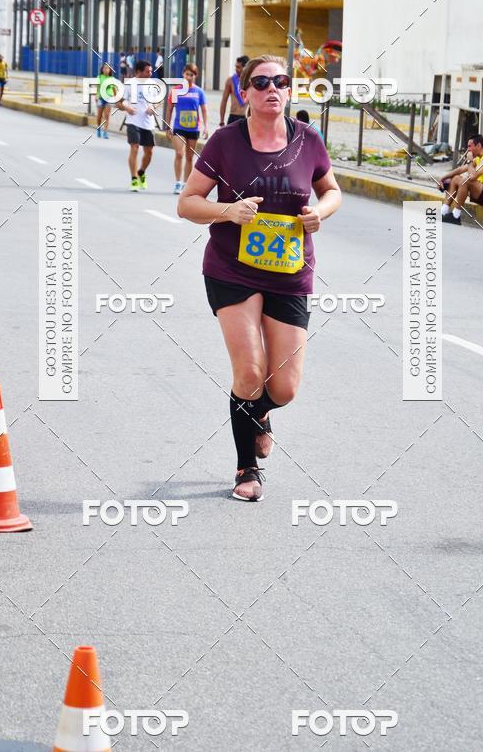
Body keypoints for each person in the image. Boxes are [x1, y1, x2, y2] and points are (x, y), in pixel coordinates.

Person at [178, 55, 341, 502]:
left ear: (289, 90)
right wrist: (227, 211)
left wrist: (320, 213)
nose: (272, 89)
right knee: (250, 373)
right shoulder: (225, 142)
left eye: (281, 81)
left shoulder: (308, 139)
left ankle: (260, 415)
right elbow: (188, 203)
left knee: (284, 388)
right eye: (262, 82)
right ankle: (246, 467)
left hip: (290, 273)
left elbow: (331, 190)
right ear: (244, 91)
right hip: (232, 269)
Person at [437, 134, 483, 225]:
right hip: (481, 193)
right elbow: (460, 169)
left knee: (466, 180)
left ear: (478, 146)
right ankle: (443, 211)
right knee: (456, 178)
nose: (468, 149)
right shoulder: (479, 158)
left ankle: (456, 216)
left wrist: (469, 161)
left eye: (470, 146)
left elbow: (472, 177)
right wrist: (443, 178)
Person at [166, 63, 208, 194]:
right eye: (187, 74)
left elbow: (204, 110)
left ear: (196, 76)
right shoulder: (175, 90)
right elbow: (169, 109)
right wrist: (167, 126)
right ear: (183, 74)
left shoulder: (199, 92)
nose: (189, 77)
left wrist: (206, 127)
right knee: (179, 154)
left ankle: (185, 184)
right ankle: (178, 183)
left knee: (189, 157)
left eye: (191, 75)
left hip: (193, 128)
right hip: (179, 126)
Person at [116, 59, 158, 191]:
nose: (150, 74)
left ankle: (141, 172)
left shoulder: (153, 84)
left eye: (151, 71)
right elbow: (118, 103)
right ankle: (134, 179)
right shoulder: (129, 84)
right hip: (133, 121)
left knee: (149, 152)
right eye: (147, 71)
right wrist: (127, 108)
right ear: (139, 72)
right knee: (134, 148)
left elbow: (157, 101)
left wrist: (153, 107)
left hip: (148, 123)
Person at [219, 55, 249, 127]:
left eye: (238, 67)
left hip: (244, 117)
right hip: (233, 116)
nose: (236, 69)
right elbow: (224, 101)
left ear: (245, 68)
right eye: (236, 67)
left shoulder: (250, 81)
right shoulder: (230, 80)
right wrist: (222, 121)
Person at [95, 62, 116, 139]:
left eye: (107, 68)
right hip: (101, 98)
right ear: (102, 69)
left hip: (109, 98)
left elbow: (114, 89)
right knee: (99, 116)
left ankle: (105, 132)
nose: (106, 69)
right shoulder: (99, 77)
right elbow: (97, 88)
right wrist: (96, 96)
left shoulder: (112, 79)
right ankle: (98, 129)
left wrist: (116, 98)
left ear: (110, 70)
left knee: (107, 115)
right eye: (104, 68)